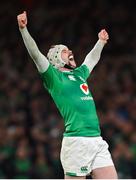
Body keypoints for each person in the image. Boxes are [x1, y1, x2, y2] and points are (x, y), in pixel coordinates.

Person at [17, 11, 118, 179]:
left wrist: (100, 42)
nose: (70, 51)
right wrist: (23, 29)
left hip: (96, 140)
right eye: (65, 51)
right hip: (76, 142)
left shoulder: (79, 74)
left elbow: (91, 59)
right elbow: (35, 54)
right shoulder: (54, 78)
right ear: (57, 58)